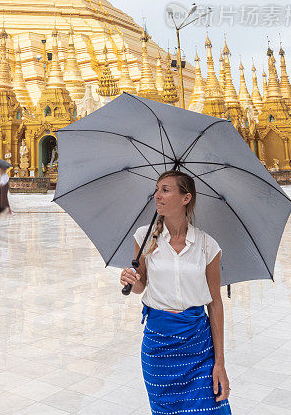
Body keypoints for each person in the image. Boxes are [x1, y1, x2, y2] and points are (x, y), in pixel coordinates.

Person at [120, 170, 232, 414]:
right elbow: (140, 287)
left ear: (186, 198)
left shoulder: (207, 245)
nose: (156, 195)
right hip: (158, 345)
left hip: (198, 345)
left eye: (165, 190)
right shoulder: (144, 236)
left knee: (210, 409)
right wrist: (131, 277)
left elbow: (215, 304)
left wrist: (220, 363)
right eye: (157, 189)